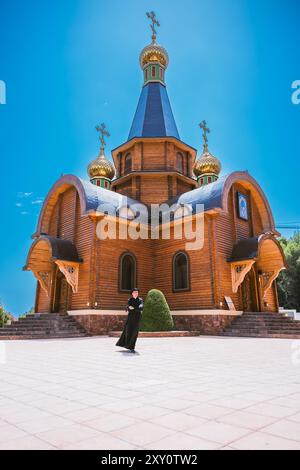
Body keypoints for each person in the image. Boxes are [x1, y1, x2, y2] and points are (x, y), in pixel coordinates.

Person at [116, 288, 144, 353]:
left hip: (137, 318)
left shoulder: (140, 300)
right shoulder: (130, 300)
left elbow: (141, 307)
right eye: (134, 292)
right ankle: (127, 345)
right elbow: (127, 307)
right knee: (128, 332)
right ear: (132, 293)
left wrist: (134, 308)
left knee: (135, 333)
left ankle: (132, 347)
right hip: (130, 318)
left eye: (137, 292)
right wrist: (129, 308)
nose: (136, 293)